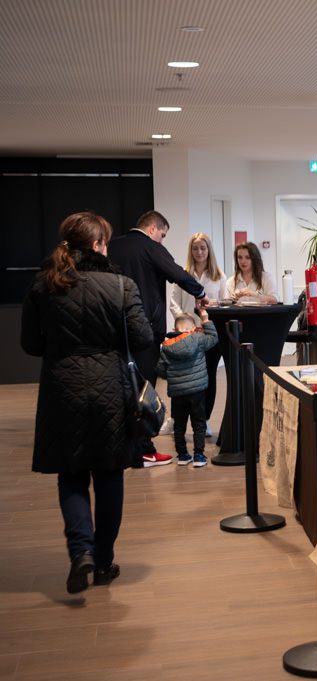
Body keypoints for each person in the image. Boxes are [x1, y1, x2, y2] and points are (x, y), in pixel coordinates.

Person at [21, 211, 153, 593]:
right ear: (97, 245)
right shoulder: (121, 284)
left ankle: (81, 552)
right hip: (111, 385)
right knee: (109, 474)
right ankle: (104, 561)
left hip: (62, 388)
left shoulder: (44, 284)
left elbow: (30, 344)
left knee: (71, 472)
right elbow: (143, 337)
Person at [108, 211, 208, 468]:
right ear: (153, 228)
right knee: (144, 390)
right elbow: (177, 274)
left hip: (114, 329)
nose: (162, 240)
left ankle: (124, 445)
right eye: (162, 235)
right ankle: (144, 449)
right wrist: (200, 292)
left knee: (121, 388)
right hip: (144, 329)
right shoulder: (150, 247)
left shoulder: (113, 246)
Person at [169, 233, 227, 437]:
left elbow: (224, 305)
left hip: (209, 336)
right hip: (186, 334)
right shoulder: (183, 275)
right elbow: (174, 303)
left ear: (209, 250)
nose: (199, 252)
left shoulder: (219, 277)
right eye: (195, 248)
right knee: (181, 378)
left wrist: (206, 320)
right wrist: (185, 323)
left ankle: (205, 420)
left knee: (208, 378)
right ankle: (176, 420)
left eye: (203, 248)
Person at [156, 310, 219, 467]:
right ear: (193, 329)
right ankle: (199, 455)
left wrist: (173, 377)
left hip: (177, 394)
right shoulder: (198, 339)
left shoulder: (167, 347)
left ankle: (183, 455)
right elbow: (213, 338)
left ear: (175, 330)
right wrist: (205, 320)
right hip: (197, 392)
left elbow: (160, 370)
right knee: (199, 424)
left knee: (179, 426)